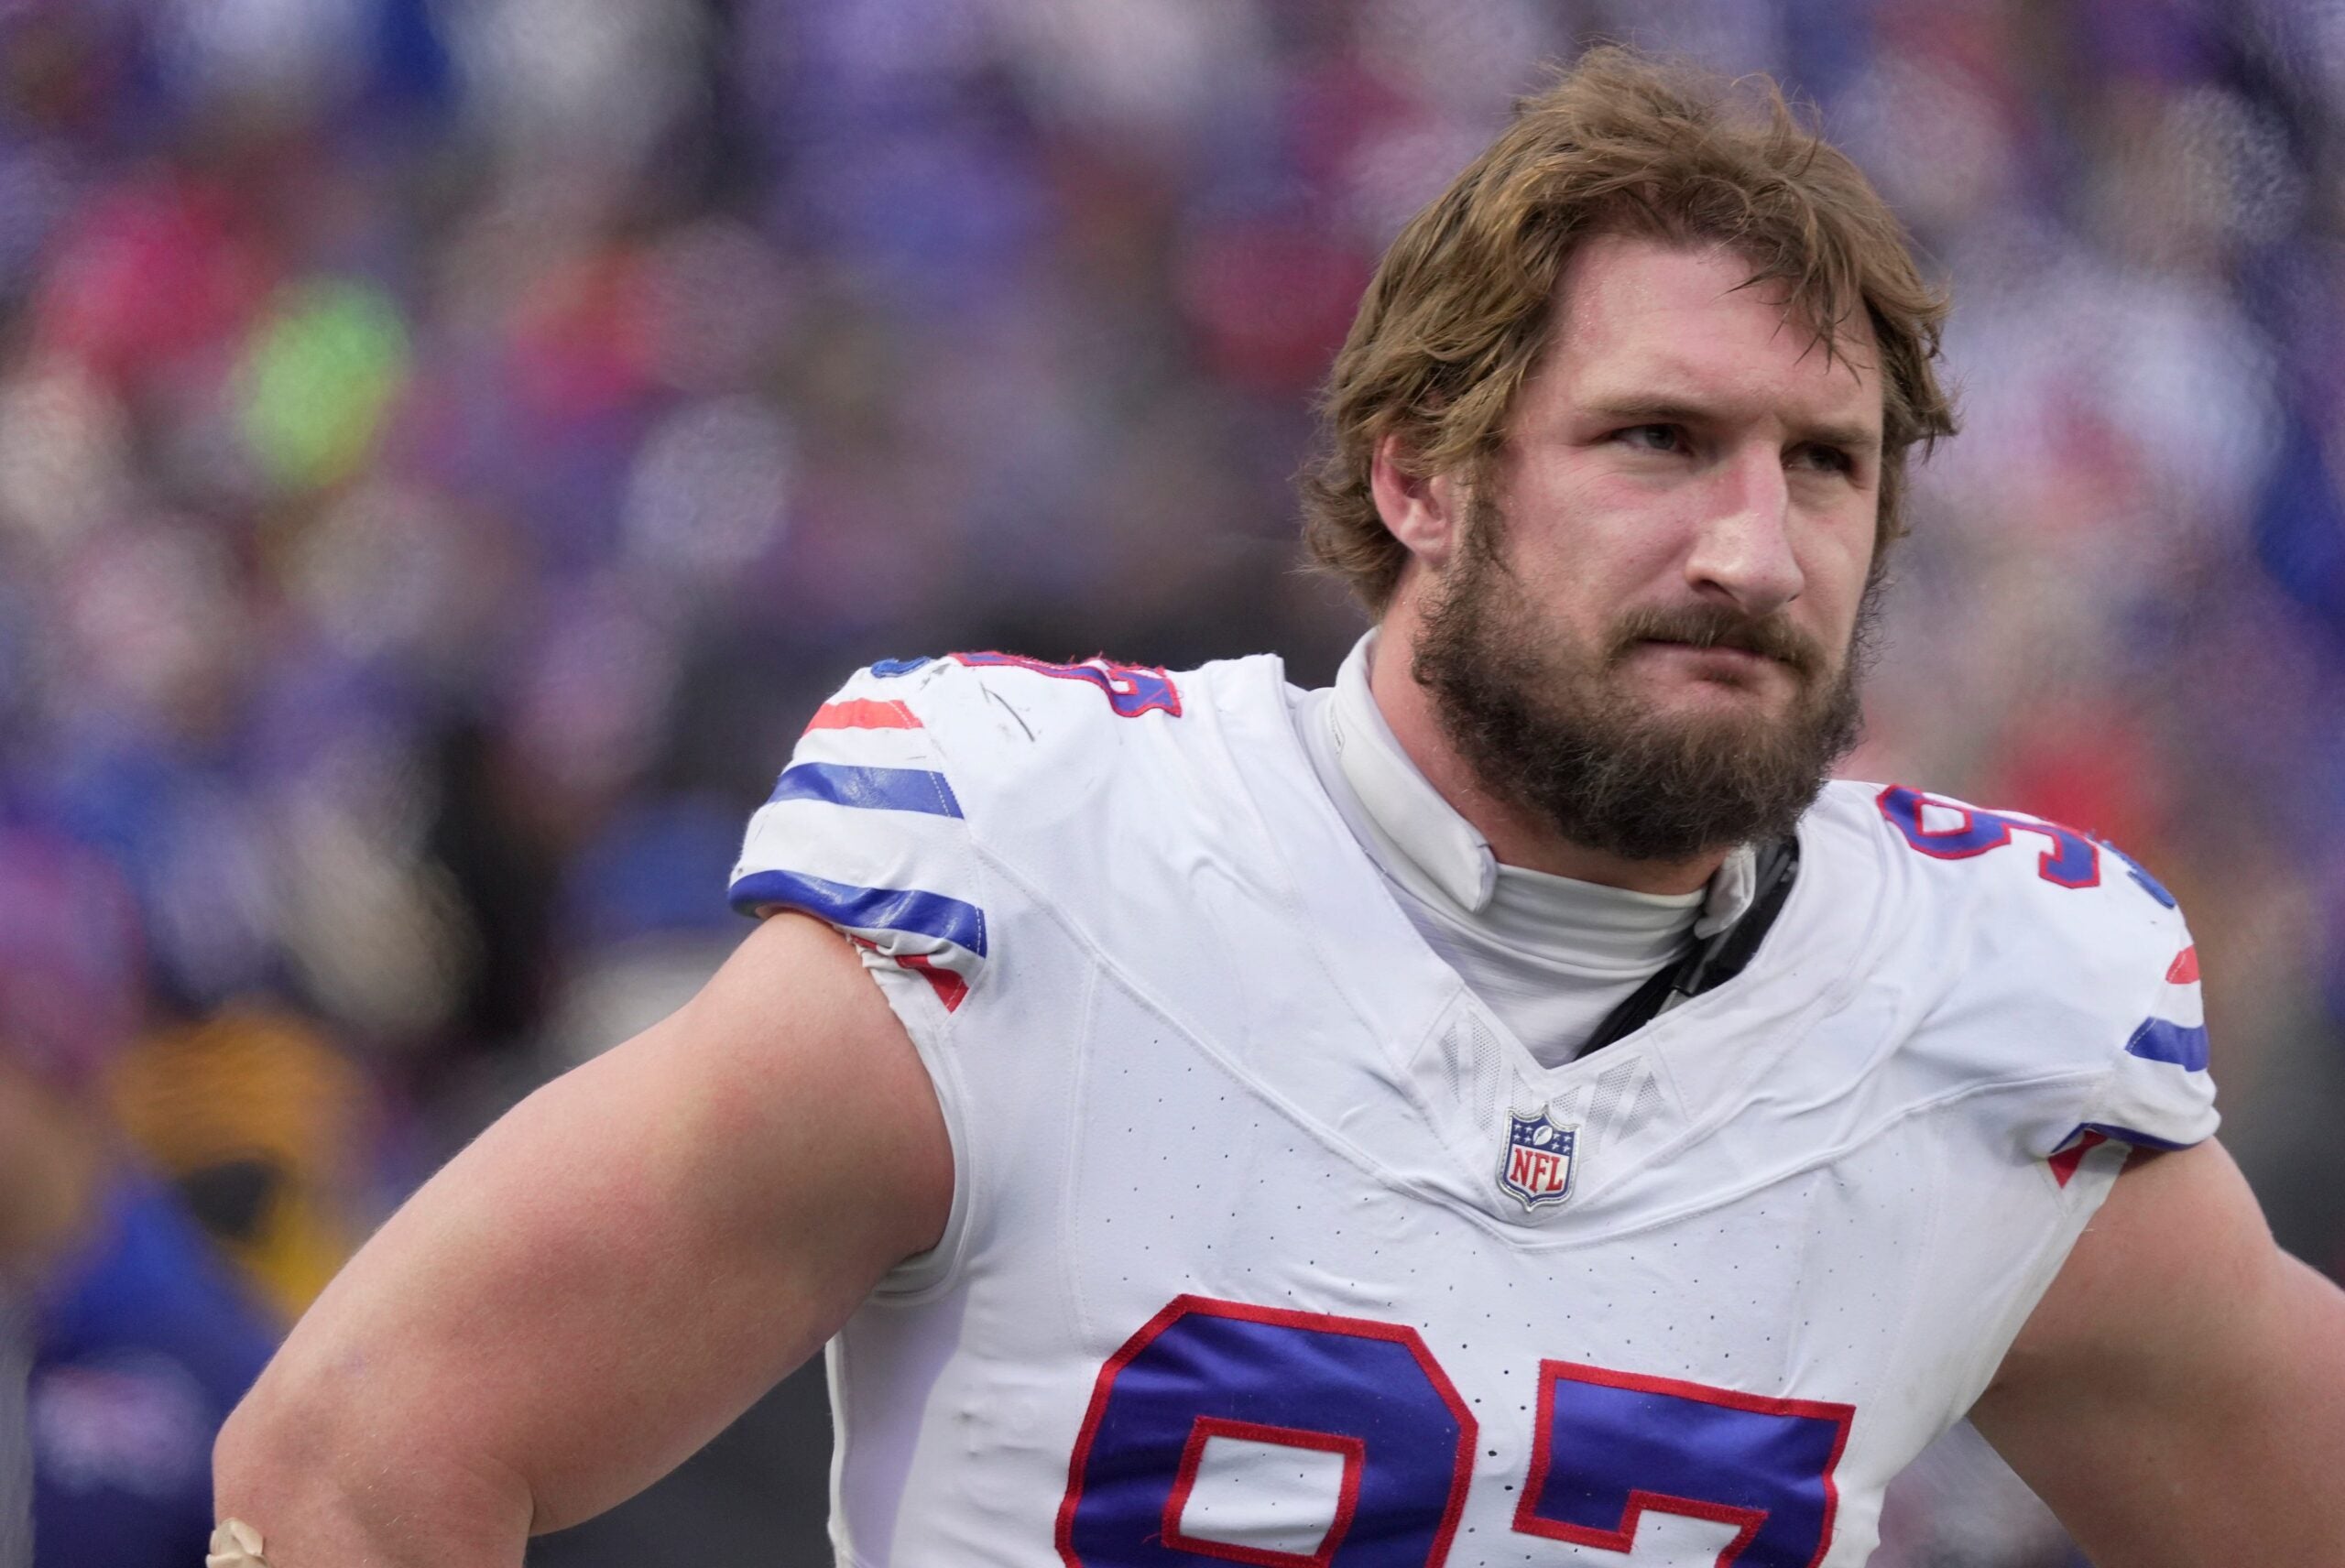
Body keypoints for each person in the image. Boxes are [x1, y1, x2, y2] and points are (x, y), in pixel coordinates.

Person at [213, 48, 2345, 1567]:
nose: (1751, 548)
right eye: (1656, 439)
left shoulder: (1976, 1026)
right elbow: (354, 1464)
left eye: (1822, 463)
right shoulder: (1046, 869)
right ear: (1418, 473)